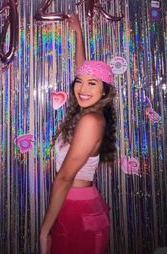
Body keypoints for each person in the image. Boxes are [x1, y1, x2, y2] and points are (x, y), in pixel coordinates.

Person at [40, 14, 117, 254]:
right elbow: (82, 70)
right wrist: (78, 33)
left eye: (92, 84)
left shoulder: (90, 121)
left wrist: (44, 231)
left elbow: (64, 178)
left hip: (77, 208)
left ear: (104, 91)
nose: (82, 88)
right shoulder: (91, 114)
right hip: (76, 203)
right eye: (79, 82)